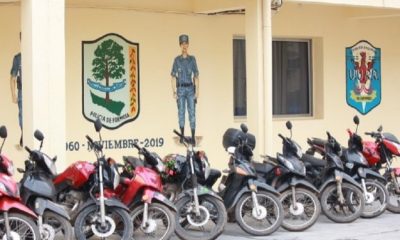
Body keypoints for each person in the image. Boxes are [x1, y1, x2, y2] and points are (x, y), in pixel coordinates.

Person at [171, 34, 199, 144]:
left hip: (190, 89)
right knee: (181, 112)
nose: (184, 46)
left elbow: (196, 76)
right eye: (182, 44)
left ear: (188, 45)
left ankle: (192, 136)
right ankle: (182, 136)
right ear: (180, 45)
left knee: (192, 113)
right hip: (181, 89)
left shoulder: (192, 60)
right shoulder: (177, 60)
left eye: (186, 43)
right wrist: (174, 91)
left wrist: (197, 92)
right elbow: (173, 76)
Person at [10, 33, 22, 147]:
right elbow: (13, 77)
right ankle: (24, 135)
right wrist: (13, 94)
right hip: (22, 91)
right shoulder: (18, 58)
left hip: (34, 92)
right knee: (22, 115)